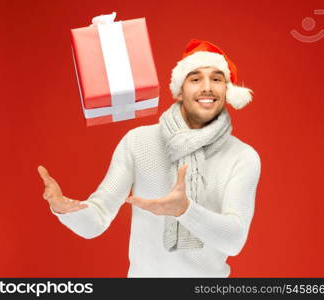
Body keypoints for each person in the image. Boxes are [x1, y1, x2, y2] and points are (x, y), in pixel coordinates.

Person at [38, 39, 261, 277]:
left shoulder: (243, 157)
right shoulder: (138, 142)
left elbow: (234, 240)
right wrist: (65, 210)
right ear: (180, 90)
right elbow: (97, 218)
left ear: (227, 90)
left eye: (216, 79)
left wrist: (185, 210)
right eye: (195, 79)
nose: (207, 87)